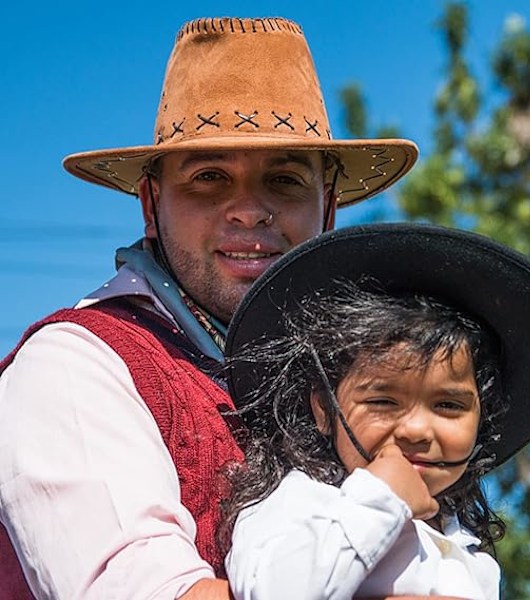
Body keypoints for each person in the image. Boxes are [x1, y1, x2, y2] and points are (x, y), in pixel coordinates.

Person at [0, 17, 420, 600]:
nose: (249, 210)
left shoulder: (348, 384)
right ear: (151, 205)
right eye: (209, 177)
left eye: (285, 178)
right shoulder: (73, 366)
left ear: (327, 212)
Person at [222, 223, 530, 600]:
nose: (416, 430)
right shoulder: (298, 503)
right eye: (382, 401)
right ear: (323, 408)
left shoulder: (467, 548)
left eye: (449, 405)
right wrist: (379, 499)